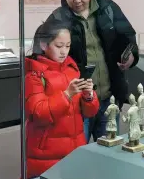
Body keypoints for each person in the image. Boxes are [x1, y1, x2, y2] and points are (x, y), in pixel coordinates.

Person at [45, 0, 139, 142]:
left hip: (109, 97)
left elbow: (128, 37)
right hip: (78, 103)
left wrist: (131, 55)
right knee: (78, 155)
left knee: (108, 155)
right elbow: (46, 59)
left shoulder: (109, 9)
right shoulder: (57, 19)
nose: (77, 0)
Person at [24, 19, 100, 178]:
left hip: (74, 146)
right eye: (59, 46)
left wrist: (88, 96)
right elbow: (38, 113)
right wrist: (67, 95)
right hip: (47, 151)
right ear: (44, 45)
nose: (64, 51)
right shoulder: (34, 75)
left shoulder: (72, 69)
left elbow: (89, 112)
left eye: (68, 46)